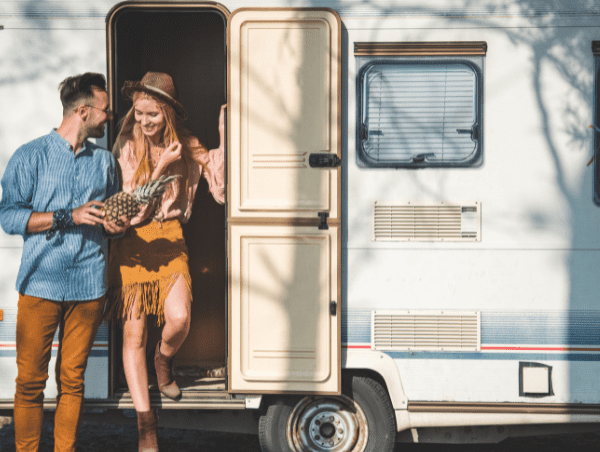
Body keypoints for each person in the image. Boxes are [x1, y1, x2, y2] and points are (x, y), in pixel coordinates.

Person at [0, 72, 129, 452]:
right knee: (30, 381)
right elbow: (8, 216)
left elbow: (109, 224)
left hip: (89, 286)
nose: (110, 118)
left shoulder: (105, 162)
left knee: (73, 381)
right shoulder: (30, 155)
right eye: (105, 111)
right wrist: (66, 216)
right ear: (84, 111)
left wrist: (116, 226)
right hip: (40, 284)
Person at [104, 72, 225, 452]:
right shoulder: (126, 144)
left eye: (152, 114)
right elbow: (130, 206)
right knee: (133, 335)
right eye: (138, 113)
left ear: (168, 112)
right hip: (133, 242)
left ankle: (163, 360)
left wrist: (227, 138)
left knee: (179, 318)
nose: (143, 121)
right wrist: (159, 168)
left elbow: (220, 186)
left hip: (170, 237)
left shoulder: (185, 144)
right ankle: (146, 426)